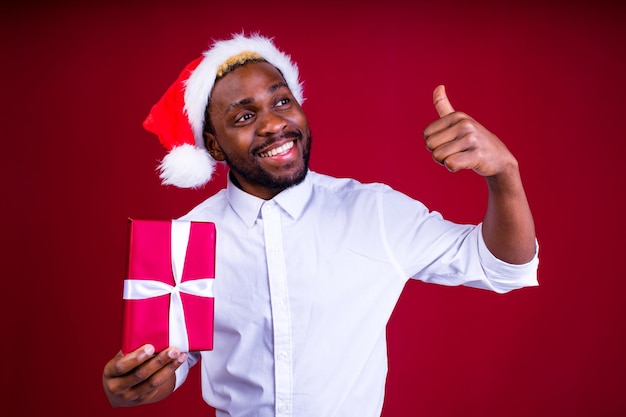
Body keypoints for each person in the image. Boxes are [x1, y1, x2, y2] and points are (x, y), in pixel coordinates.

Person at [102, 33, 539, 416]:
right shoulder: (185, 237)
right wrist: (140, 383)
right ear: (214, 147)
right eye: (244, 116)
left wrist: (504, 173)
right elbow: (172, 360)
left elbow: (503, 267)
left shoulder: (375, 214)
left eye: (281, 100)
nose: (274, 123)